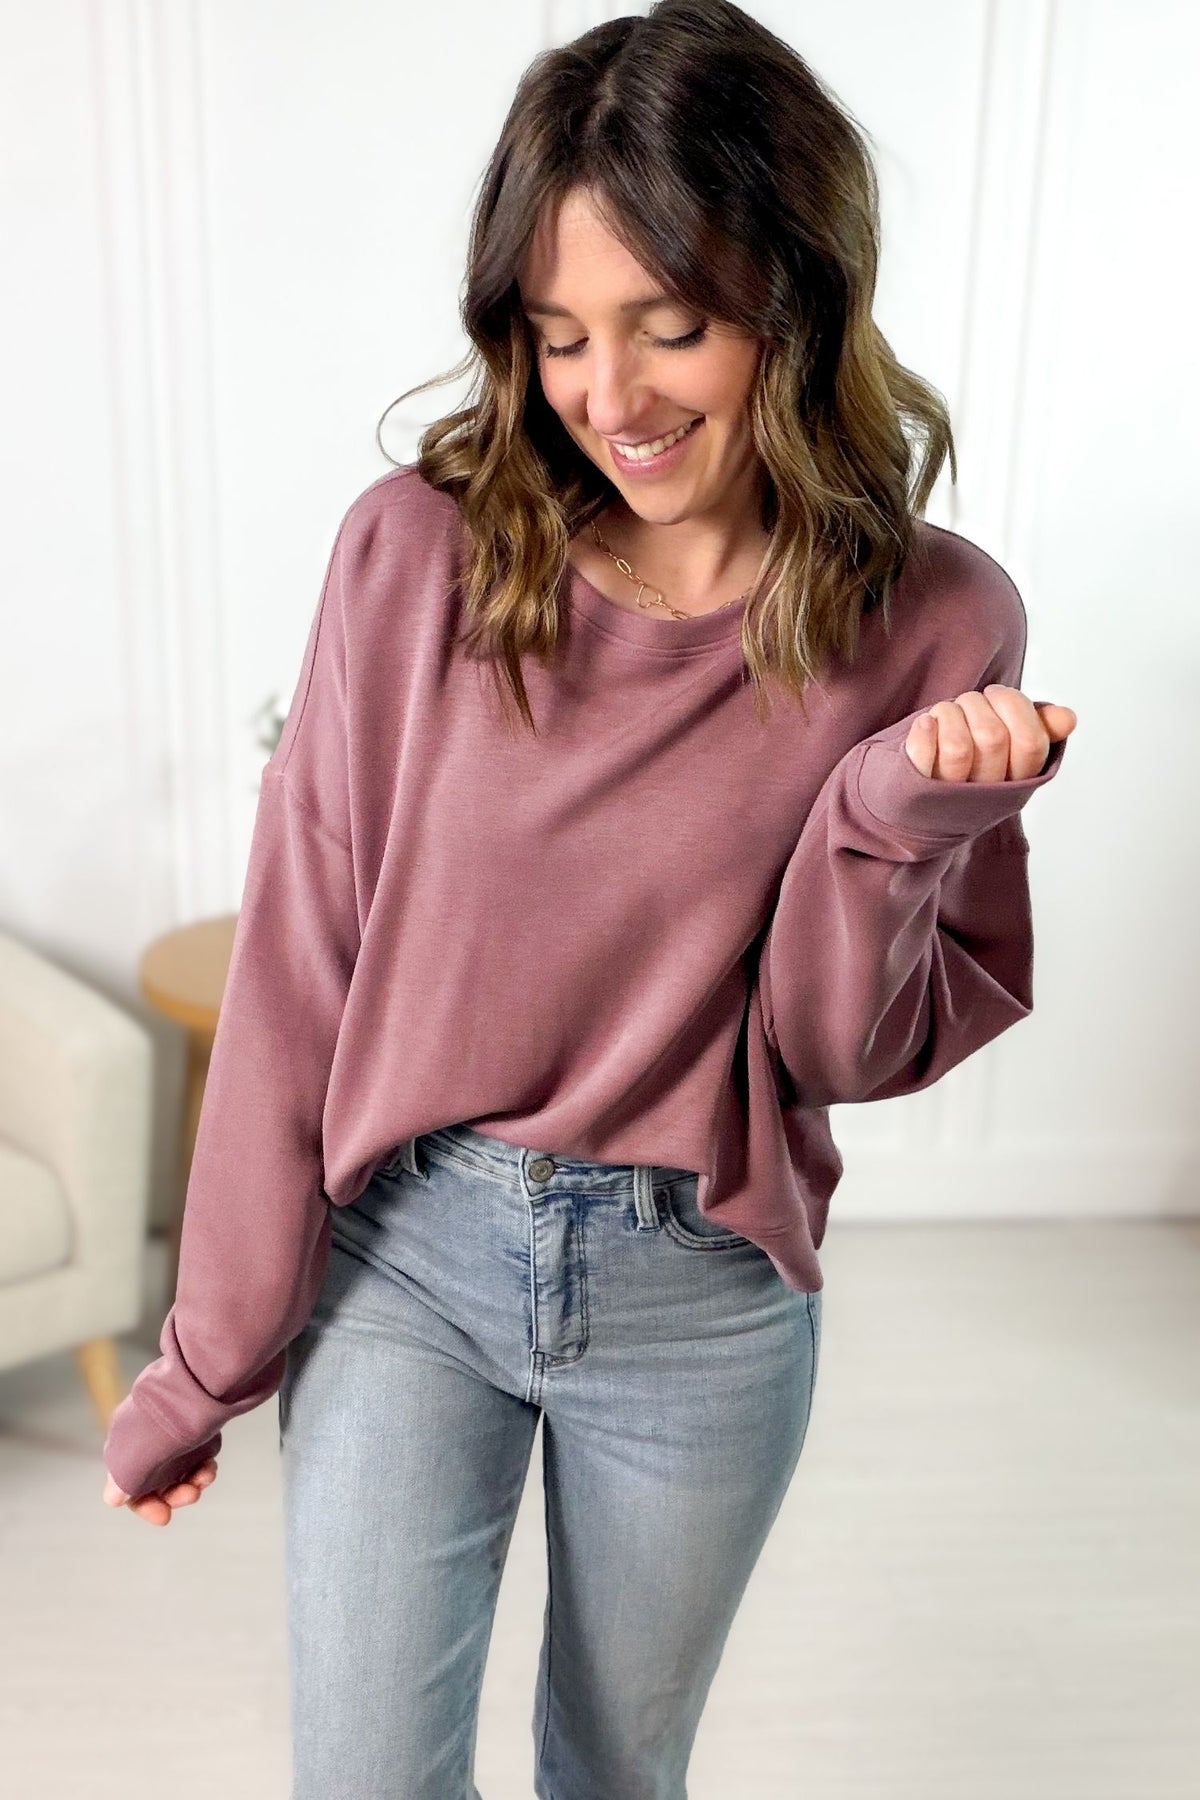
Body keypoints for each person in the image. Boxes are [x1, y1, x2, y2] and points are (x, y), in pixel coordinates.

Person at [102, 2, 1075, 1794]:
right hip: (411, 1256)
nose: (608, 397)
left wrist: (887, 817)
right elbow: (300, 970)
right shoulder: (412, 557)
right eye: (559, 339)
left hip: (701, 1289)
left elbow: (834, 1052)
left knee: (617, 1773)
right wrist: (205, 1354)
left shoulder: (938, 621)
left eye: (671, 328)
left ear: (799, 300)